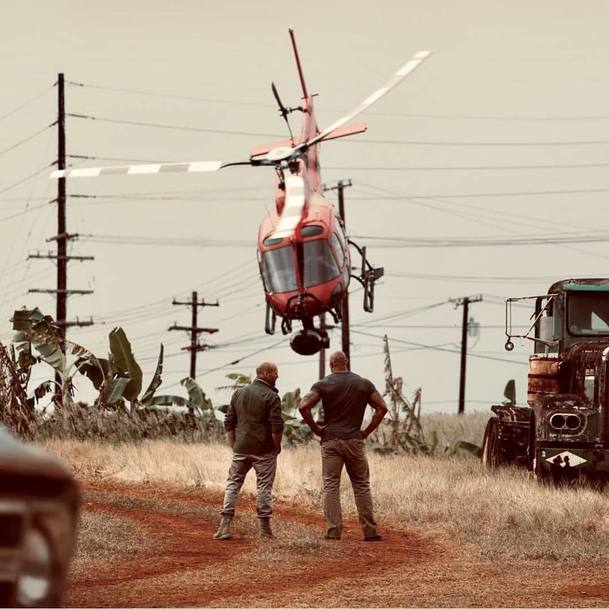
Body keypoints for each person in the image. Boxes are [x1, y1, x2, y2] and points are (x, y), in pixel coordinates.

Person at [298, 351, 388, 541]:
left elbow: (303, 406)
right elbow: (382, 407)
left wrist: (316, 428)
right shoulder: (364, 383)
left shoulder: (323, 384)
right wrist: (366, 431)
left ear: (331, 364)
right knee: (361, 485)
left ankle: (333, 531)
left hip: (330, 440)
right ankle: (370, 532)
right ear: (347, 363)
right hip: (355, 439)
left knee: (331, 485)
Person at [213, 361, 284, 540]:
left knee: (232, 485)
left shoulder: (239, 393)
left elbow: (229, 421)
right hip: (264, 450)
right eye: (275, 373)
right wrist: (277, 447)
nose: (277, 376)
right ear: (266, 374)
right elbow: (277, 427)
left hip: (241, 448)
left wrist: (234, 445)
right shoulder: (272, 397)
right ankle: (265, 531)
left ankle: (224, 527)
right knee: (264, 488)